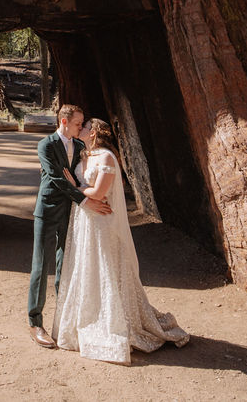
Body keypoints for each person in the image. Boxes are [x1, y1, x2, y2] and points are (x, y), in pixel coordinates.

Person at [52, 117, 189, 364]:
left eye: (84, 126)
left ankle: (115, 321)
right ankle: (88, 316)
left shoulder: (106, 157)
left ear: (93, 133)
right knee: (88, 267)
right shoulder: (85, 155)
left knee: (106, 267)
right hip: (85, 220)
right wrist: (80, 191)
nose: (80, 128)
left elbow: (99, 193)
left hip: (102, 223)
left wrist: (75, 187)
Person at [28, 104, 112, 349]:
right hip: (47, 210)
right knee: (41, 266)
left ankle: (64, 319)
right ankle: (35, 322)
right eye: (78, 123)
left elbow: (77, 179)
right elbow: (56, 178)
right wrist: (87, 201)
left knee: (67, 265)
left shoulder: (81, 147)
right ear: (64, 122)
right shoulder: (45, 145)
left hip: (72, 214)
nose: (81, 127)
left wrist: (87, 197)